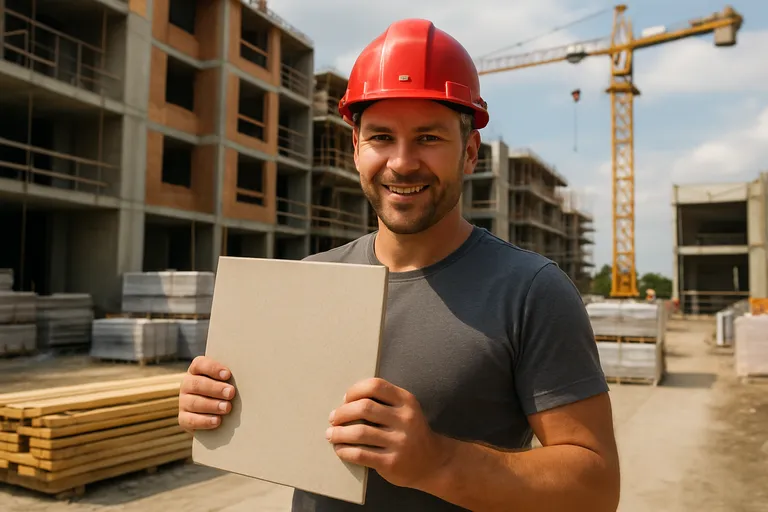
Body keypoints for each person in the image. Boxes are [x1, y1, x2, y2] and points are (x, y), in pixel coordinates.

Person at [178, 18, 620, 512]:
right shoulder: (313, 280)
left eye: (429, 138)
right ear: (355, 149)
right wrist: (216, 402)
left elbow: (596, 489)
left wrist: (438, 463)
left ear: (470, 153)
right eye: (381, 137)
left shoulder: (531, 291)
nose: (402, 162)